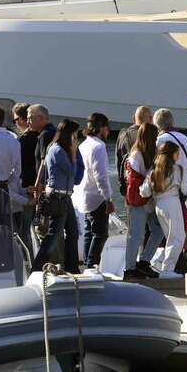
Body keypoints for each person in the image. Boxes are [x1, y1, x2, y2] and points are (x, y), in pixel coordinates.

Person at [31, 119, 81, 274]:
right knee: (54, 234)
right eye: (74, 135)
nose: (76, 139)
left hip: (64, 197)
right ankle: (37, 267)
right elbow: (71, 172)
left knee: (72, 231)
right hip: (58, 197)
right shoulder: (58, 150)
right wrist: (73, 153)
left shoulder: (54, 148)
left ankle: (72, 267)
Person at [140, 141, 187, 278]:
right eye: (177, 154)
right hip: (172, 202)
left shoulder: (154, 170)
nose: (178, 157)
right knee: (178, 238)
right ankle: (167, 269)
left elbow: (144, 192)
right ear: (172, 155)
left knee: (170, 236)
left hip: (159, 205)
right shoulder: (177, 169)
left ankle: (161, 263)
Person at [123, 122, 163, 279]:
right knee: (136, 235)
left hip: (149, 200)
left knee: (159, 230)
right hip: (138, 201)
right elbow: (135, 178)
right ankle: (129, 269)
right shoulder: (136, 155)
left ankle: (144, 262)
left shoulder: (151, 152)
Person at [78, 113, 113, 269]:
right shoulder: (99, 146)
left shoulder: (83, 145)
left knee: (88, 232)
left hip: (84, 195)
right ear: (100, 128)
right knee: (100, 233)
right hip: (97, 197)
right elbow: (101, 176)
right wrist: (108, 199)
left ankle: (87, 264)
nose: (108, 132)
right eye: (106, 128)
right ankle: (92, 265)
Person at [115, 106, 152, 199]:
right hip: (147, 188)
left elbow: (118, 160)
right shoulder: (151, 136)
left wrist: (121, 184)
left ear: (133, 118)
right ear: (151, 119)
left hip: (129, 185)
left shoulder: (123, 134)